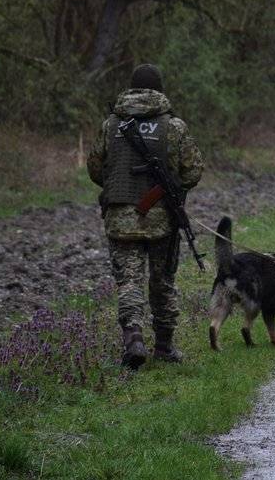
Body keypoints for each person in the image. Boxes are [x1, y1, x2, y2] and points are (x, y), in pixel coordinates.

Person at [88, 64, 204, 369]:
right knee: (162, 281)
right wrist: (169, 188)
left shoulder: (110, 125)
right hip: (161, 219)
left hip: (120, 217)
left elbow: (96, 169)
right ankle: (164, 347)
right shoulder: (174, 127)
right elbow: (192, 172)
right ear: (159, 90)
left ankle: (134, 338)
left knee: (128, 280)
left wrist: (120, 185)